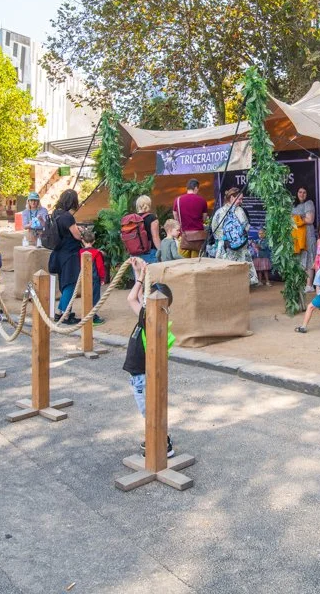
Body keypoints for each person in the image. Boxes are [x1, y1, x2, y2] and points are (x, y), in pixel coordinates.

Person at [123, 257, 176, 457]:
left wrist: (141, 279)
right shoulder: (147, 316)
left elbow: (136, 299)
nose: (144, 299)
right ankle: (155, 436)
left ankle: (163, 442)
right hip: (139, 374)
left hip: (143, 375)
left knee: (149, 410)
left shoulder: (152, 320)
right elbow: (132, 299)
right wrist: (139, 275)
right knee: (148, 409)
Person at [47, 189, 84, 324]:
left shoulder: (56, 214)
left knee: (64, 283)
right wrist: (83, 233)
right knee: (70, 284)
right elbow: (77, 235)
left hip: (59, 253)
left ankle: (64, 311)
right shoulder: (68, 217)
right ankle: (63, 313)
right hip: (70, 254)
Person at [212, 187, 258, 285]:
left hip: (225, 247)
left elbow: (214, 230)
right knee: (240, 276)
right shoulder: (240, 211)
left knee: (225, 276)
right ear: (232, 198)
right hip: (240, 248)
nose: (241, 201)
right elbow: (246, 227)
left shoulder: (219, 212)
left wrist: (225, 239)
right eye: (240, 199)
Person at [174, 178, 208, 258]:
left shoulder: (178, 200)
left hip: (184, 237)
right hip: (198, 238)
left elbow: (176, 217)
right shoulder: (202, 200)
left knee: (182, 263)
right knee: (197, 264)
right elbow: (204, 219)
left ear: (187, 188)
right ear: (196, 188)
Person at [79, 228, 107, 325]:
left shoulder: (80, 252)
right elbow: (100, 267)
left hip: (83, 277)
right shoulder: (97, 253)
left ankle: (86, 314)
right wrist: (102, 278)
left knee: (86, 296)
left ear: (83, 241)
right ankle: (93, 317)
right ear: (94, 241)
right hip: (94, 278)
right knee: (95, 297)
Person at [292, 187, 317, 291]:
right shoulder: (294, 204)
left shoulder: (309, 203)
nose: (302, 194)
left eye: (304, 192)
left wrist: (295, 218)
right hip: (296, 236)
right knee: (298, 259)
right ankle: (300, 283)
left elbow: (310, 219)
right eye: (300, 192)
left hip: (307, 234)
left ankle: (309, 285)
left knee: (309, 260)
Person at [134, 195, 161, 264]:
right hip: (150, 252)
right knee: (153, 274)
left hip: (135, 254)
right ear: (149, 204)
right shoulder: (152, 218)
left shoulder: (133, 219)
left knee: (139, 274)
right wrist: (161, 250)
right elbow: (155, 237)